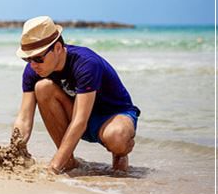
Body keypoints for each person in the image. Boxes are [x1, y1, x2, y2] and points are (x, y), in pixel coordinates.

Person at [13, 16, 140, 174]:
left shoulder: (86, 63)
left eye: (38, 58)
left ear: (58, 48)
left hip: (112, 116)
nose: (33, 65)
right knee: (43, 87)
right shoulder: (33, 70)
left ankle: (120, 156)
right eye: (27, 59)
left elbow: (80, 121)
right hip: (75, 114)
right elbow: (24, 118)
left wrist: (53, 168)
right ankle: (69, 161)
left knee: (117, 137)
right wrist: (13, 151)